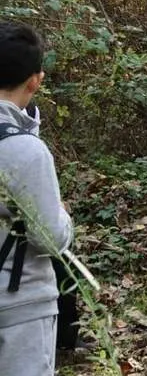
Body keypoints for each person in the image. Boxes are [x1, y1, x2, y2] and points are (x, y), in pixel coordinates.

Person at [0, 22, 75, 376]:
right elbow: (49, 238)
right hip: (20, 305)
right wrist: (63, 216)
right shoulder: (26, 151)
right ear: (35, 80)